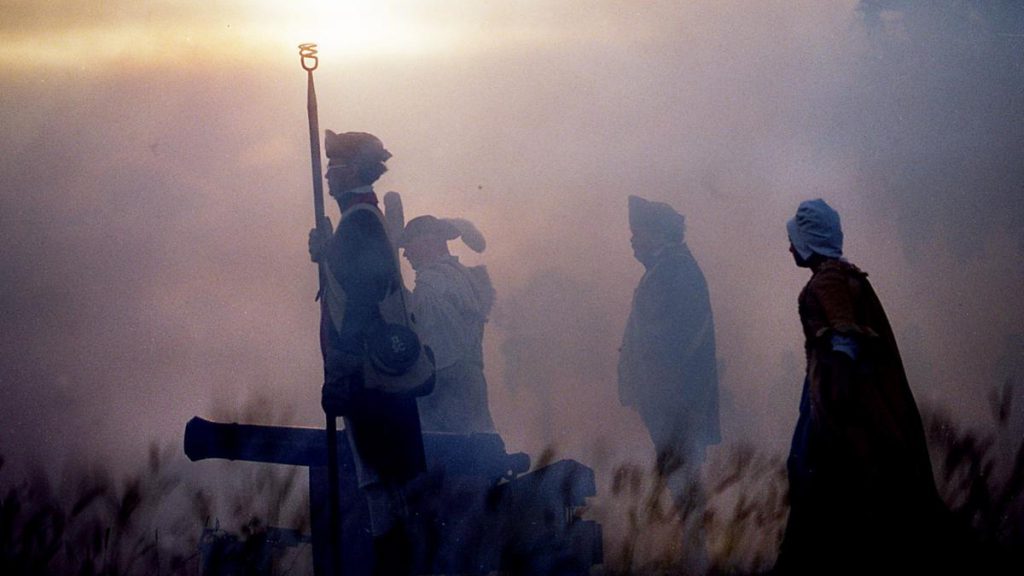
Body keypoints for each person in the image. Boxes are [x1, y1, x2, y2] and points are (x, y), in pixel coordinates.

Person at [774, 199, 951, 575]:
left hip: (836, 402)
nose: (790, 247)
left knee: (813, 474)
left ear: (810, 241)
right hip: (840, 397)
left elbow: (844, 341)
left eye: (795, 239)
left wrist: (834, 407)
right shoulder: (846, 275)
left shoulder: (829, 281)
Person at [308, 130, 425, 576]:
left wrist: (344, 357)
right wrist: (326, 254)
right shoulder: (357, 220)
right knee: (384, 487)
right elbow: (350, 281)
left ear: (354, 171)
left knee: (384, 488)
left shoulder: (359, 222)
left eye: (335, 165)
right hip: (374, 373)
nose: (328, 174)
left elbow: (364, 292)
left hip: (371, 376)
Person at [617, 195, 720, 568]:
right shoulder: (668, 270)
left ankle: (698, 559)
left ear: (656, 234)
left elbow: (672, 344)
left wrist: (657, 393)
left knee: (683, 480)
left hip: (676, 403)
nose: (631, 240)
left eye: (636, 232)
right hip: (669, 401)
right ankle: (694, 555)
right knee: (680, 479)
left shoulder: (676, 272)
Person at [398, 214, 497, 434]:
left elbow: (426, 333)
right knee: (479, 444)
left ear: (429, 242)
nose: (405, 253)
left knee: (448, 451)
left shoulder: (434, 282)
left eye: (409, 244)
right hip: (468, 379)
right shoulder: (456, 278)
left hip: (447, 383)